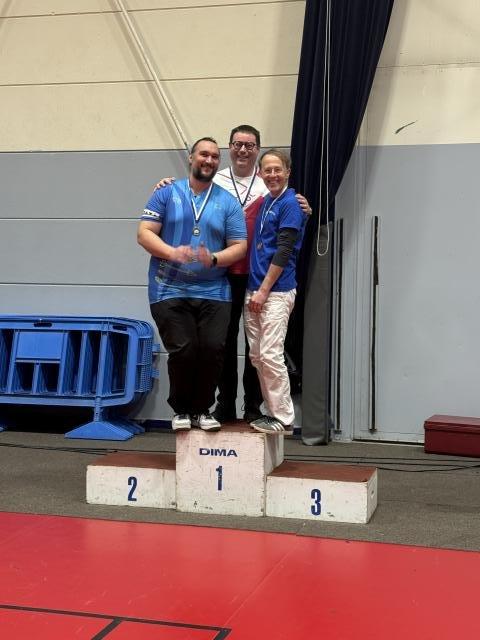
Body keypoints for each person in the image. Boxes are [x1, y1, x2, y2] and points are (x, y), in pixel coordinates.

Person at [155, 125, 311, 424]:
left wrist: (305, 208)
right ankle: (224, 404)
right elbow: (188, 189)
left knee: (259, 347)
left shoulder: (269, 184)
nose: (243, 150)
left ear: (257, 150)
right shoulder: (217, 179)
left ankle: (253, 407)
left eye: (250, 145)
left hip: (259, 276)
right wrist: (165, 184)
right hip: (223, 272)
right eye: (238, 144)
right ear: (229, 148)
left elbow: (290, 219)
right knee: (222, 342)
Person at [137, 137, 247, 432]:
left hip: (214, 291)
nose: (209, 160)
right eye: (203, 154)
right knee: (184, 349)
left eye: (214, 156)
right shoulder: (165, 193)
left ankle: (202, 410)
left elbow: (239, 246)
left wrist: (214, 258)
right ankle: (182, 409)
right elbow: (144, 233)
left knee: (211, 349)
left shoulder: (228, 202)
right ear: (191, 157)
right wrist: (172, 253)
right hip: (168, 287)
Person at [244, 149, 305, 435]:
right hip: (255, 289)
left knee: (270, 354)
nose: (272, 175)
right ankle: (272, 413)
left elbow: (284, 251)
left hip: (275, 291)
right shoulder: (267, 201)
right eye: (267, 170)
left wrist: (264, 290)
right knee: (257, 356)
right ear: (260, 173)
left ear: (288, 171)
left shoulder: (291, 203)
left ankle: (284, 418)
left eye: (277, 169)